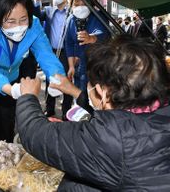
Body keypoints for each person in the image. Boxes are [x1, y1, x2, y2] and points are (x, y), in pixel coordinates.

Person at [16, 34, 170, 191]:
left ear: (102, 92)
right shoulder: (158, 111)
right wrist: (74, 91)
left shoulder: (113, 138)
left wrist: (28, 96)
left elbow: (35, 134)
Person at [0, 0, 65, 147]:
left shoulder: (33, 25)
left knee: (8, 119)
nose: (18, 26)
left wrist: (56, 76)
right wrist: (11, 89)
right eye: (10, 21)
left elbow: (45, 53)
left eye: (23, 19)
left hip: (13, 76)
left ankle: (9, 158)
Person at [34, 0, 73, 118]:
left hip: (66, 53)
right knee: (51, 80)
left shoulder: (72, 12)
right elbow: (37, 16)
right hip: (51, 52)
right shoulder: (49, 10)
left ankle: (66, 111)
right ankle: (49, 109)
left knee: (67, 80)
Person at [65, 0, 109, 91]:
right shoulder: (71, 20)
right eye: (76, 5)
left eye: (83, 4)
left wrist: (91, 38)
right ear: (71, 6)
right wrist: (71, 66)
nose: (80, 8)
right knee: (79, 96)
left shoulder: (98, 16)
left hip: (95, 66)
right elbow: (69, 43)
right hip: (78, 66)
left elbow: (105, 35)